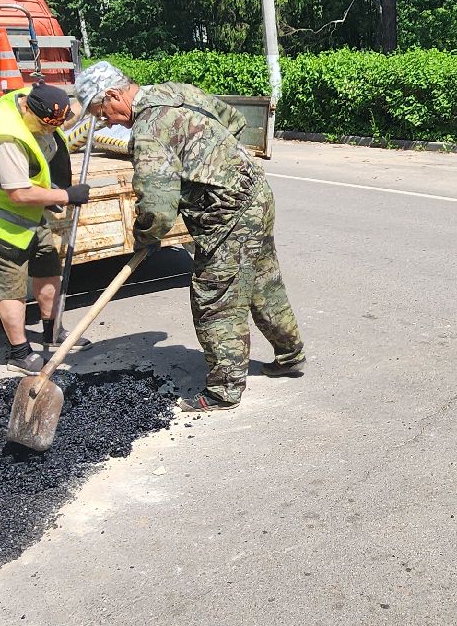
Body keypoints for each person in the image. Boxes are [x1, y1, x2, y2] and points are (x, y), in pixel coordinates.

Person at [77, 61, 305, 411]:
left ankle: (223, 391)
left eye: (100, 111)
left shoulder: (149, 131)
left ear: (112, 95)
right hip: (255, 190)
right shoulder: (175, 91)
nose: (105, 121)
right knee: (262, 282)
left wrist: (145, 236)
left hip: (228, 212)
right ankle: (290, 356)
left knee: (215, 298)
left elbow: (158, 207)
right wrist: (210, 162)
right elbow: (234, 121)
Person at [0, 81, 92, 371]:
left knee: (48, 266)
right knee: (10, 286)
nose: (49, 131)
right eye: (44, 125)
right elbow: (19, 193)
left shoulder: (31, 98)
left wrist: (91, 100)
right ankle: (19, 352)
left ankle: (53, 331)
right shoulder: (5, 136)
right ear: (29, 110)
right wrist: (64, 195)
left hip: (24, 212)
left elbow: (69, 116)